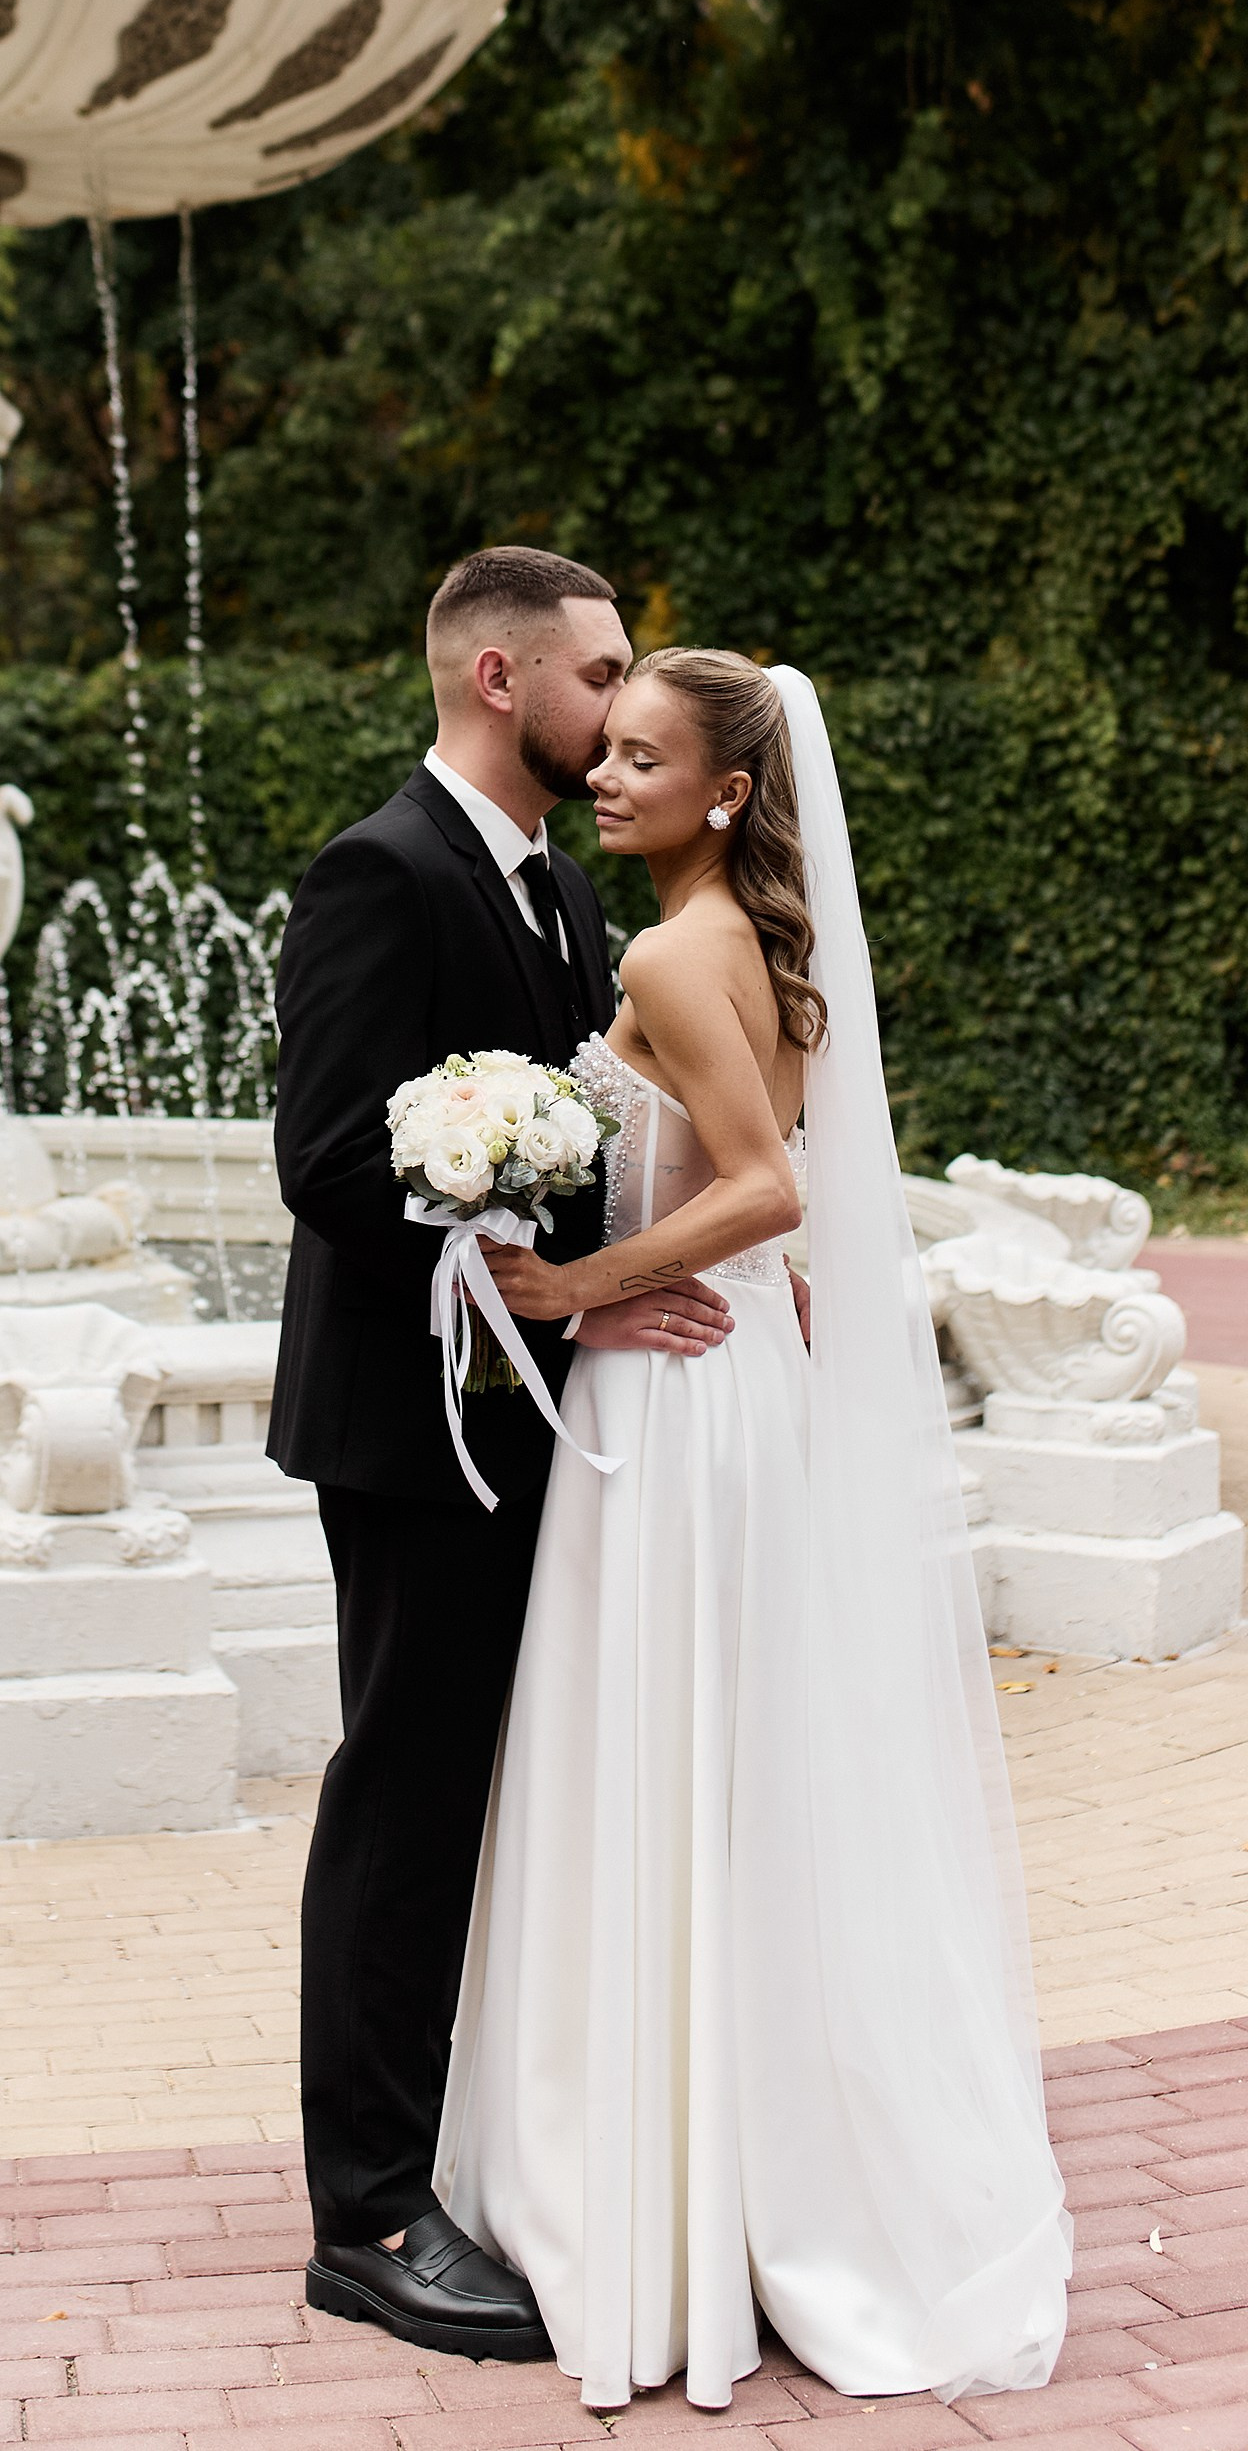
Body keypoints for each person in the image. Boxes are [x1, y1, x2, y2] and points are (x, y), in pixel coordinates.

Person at [440, 648, 1070, 2405]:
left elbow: (765, 1186)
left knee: (662, 1758)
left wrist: (571, 1287)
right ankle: (728, 2167)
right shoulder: (757, 948)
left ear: (727, 793)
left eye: (645, 759)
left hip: (673, 1398)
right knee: (734, 1773)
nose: (608, 775)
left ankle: (661, 2194)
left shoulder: (667, 952)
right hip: (740, 1387)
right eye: (611, 749)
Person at [267, 547, 740, 2362]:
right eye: (599, 673)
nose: (620, 707)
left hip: (528, 1418)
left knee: (497, 1791)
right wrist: (548, 1303)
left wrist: (637, 1272)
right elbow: (329, 1161)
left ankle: (480, 2146)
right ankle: (368, 2215)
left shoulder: (557, 882)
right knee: (402, 1798)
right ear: (499, 677)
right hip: (416, 1430)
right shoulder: (380, 871)